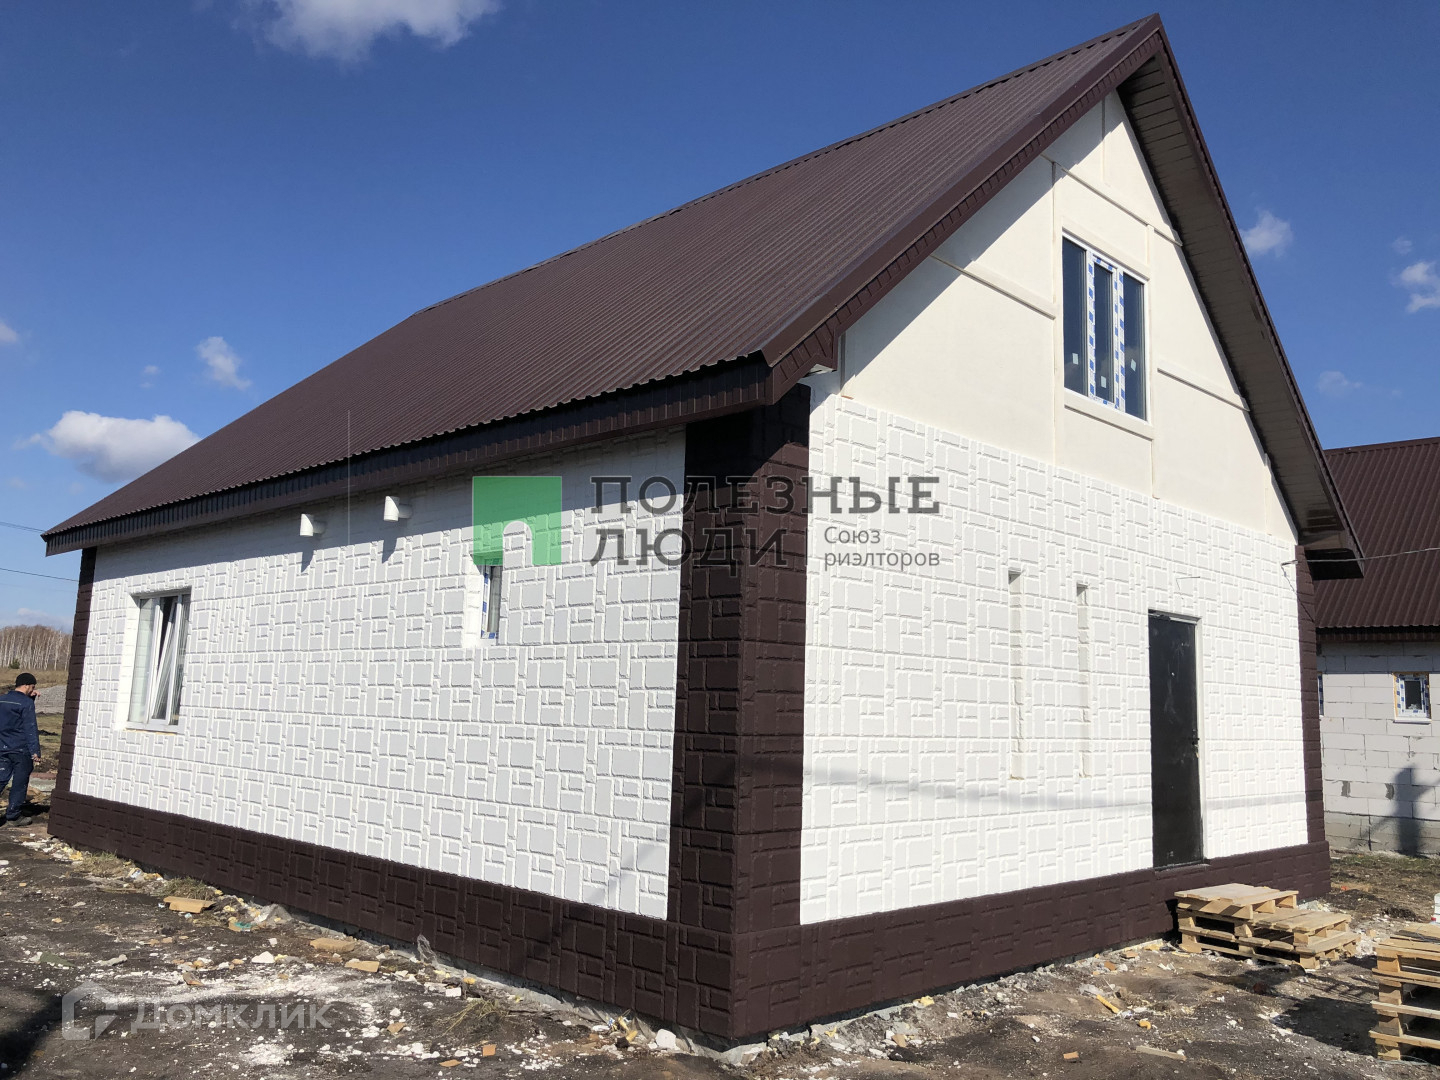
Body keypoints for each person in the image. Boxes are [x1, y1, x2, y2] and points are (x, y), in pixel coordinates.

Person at [0, 672, 41, 826]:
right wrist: (35, 751)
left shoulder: (2, 699)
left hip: (2, 747)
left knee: (1, 779)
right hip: (20, 749)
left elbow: (12, 718)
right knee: (19, 782)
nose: (33, 690)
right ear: (27, 685)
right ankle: (13, 816)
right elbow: (30, 727)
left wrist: (30, 698)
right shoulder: (26, 703)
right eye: (32, 687)